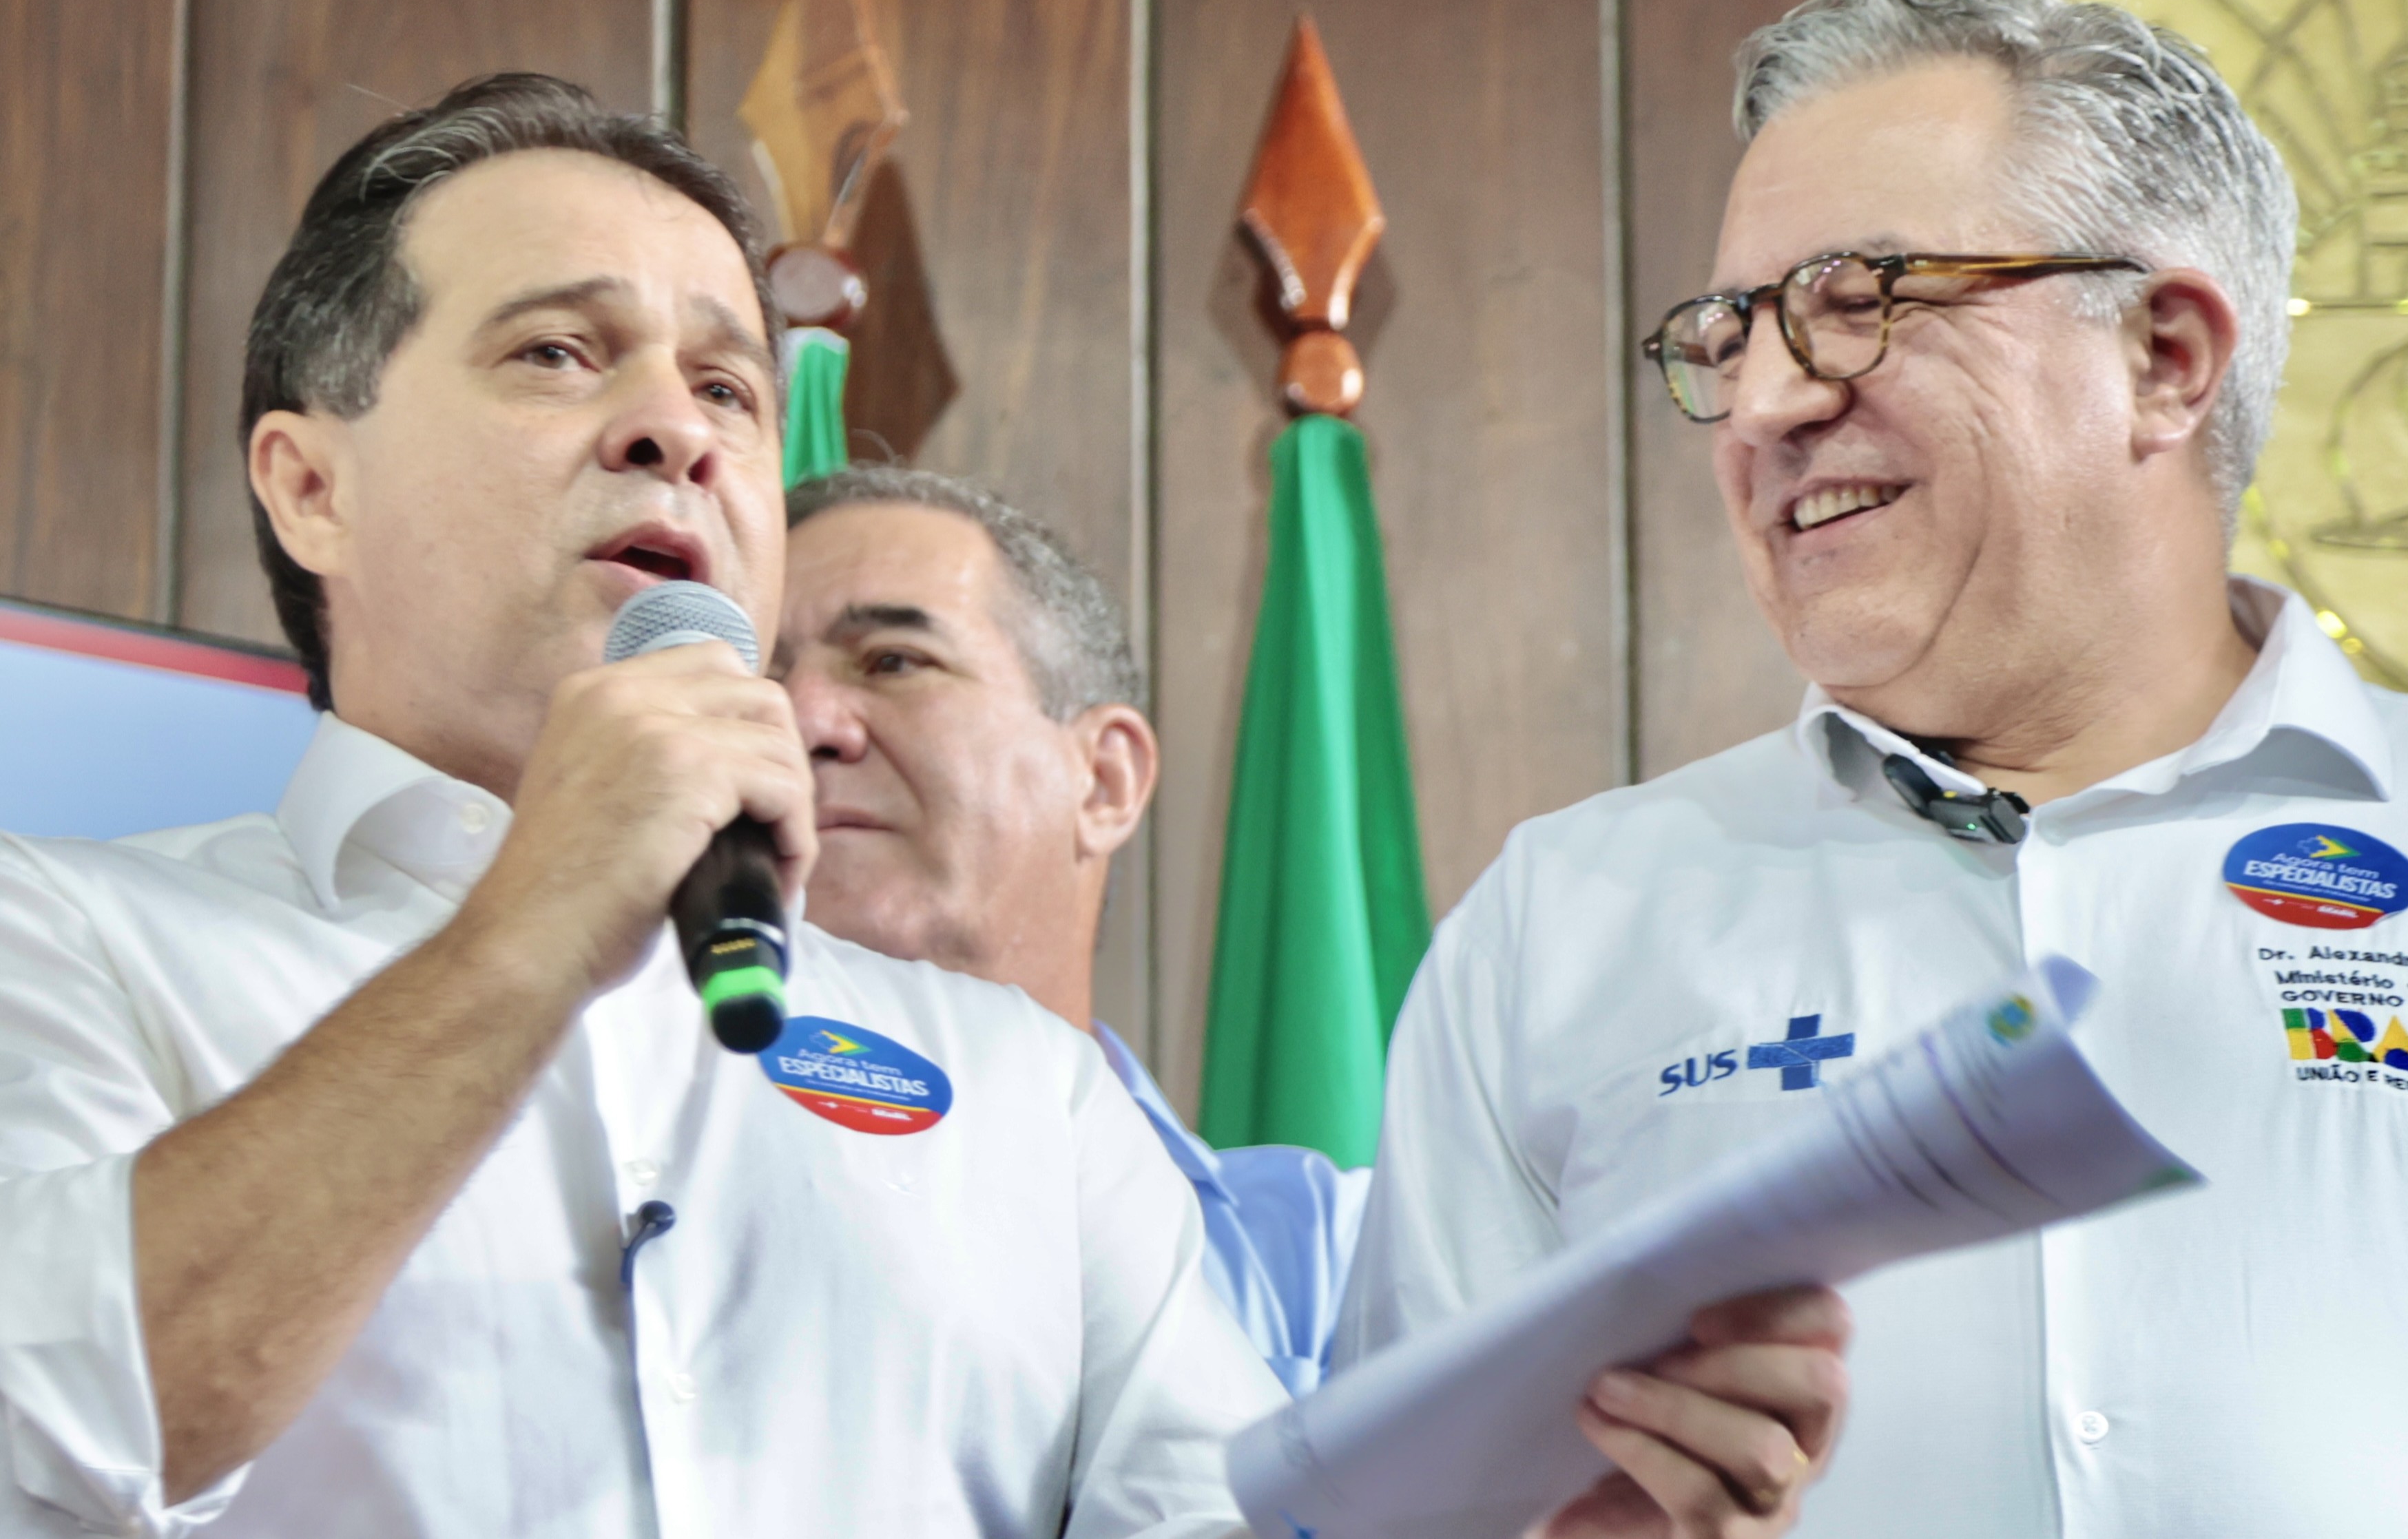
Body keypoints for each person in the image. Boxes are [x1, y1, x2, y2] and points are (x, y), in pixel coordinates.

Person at [0, 74, 1840, 1539]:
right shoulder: (66, 942)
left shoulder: (1025, 1096)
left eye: (724, 376)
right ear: (307, 485)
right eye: (560, 352)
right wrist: (528, 926)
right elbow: (54, 1425)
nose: (682, 426)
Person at [1336, 0, 2408, 1538]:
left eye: (1857, 299)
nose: (1766, 404)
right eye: (1730, 332)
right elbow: (1410, 1515)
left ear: (2166, 355)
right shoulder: (1561, 920)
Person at [772, 465, 1361, 1395]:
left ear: (1103, 780)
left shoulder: (1332, 1259)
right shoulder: (630, 1199)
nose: (803, 720)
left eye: (891, 659)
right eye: (761, 682)